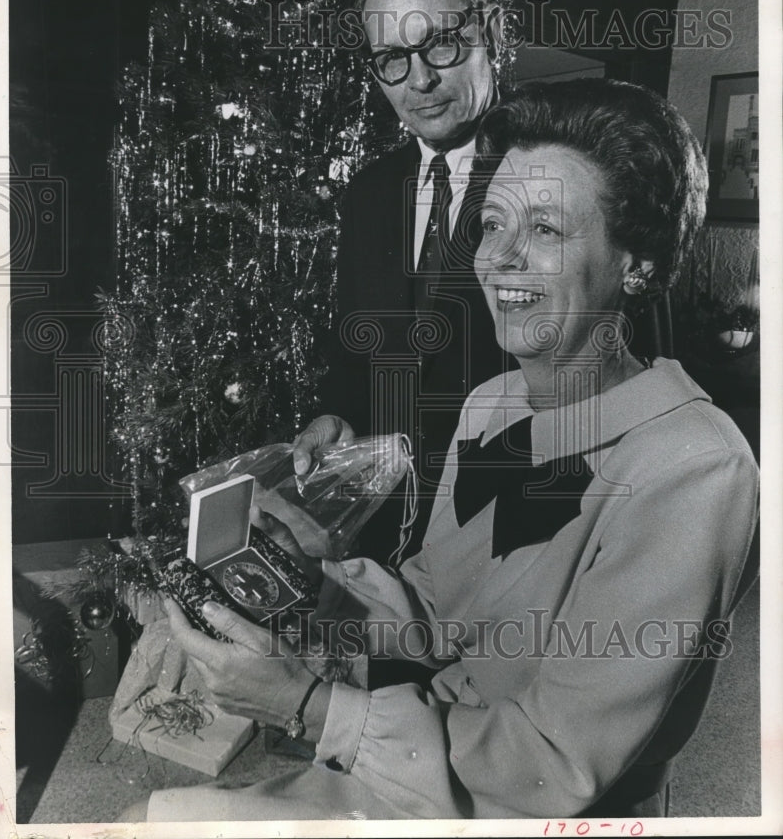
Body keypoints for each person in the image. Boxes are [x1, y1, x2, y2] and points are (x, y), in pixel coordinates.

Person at [133, 79, 758, 822]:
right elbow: (435, 616)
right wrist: (302, 589)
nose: (500, 260)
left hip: (535, 810)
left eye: (547, 232)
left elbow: (553, 767)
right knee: (148, 821)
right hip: (423, 759)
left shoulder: (693, 471)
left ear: (638, 264)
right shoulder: (488, 407)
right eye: (493, 225)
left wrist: (307, 706)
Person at [293, 0, 507, 567]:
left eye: (441, 42)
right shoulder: (370, 191)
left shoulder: (551, 172)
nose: (420, 80)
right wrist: (336, 412)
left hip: (506, 520)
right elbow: (356, 340)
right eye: (392, 58)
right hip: (386, 521)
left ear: (489, 30)